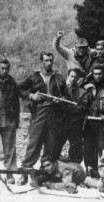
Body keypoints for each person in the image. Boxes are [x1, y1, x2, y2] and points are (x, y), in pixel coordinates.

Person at [17, 51, 68, 186]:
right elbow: (19, 89)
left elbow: (66, 96)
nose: (49, 63)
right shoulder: (33, 77)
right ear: (41, 62)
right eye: (46, 60)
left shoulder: (59, 78)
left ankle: (43, 175)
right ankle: (24, 174)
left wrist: (60, 100)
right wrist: (31, 96)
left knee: (51, 146)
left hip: (54, 114)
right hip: (38, 113)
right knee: (34, 143)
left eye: (51, 60)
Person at [59, 68, 91, 163]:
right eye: (71, 76)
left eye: (75, 77)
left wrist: (68, 107)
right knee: (57, 143)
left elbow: (82, 108)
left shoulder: (82, 92)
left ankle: (76, 166)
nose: (73, 79)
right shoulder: (61, 90)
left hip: (75, 122)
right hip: (62, 121)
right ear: (68, 76)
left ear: (78, 79)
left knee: (75, 145)